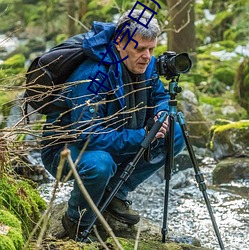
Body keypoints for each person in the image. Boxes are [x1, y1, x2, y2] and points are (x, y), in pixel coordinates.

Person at [41, 9, 185, 241]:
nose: (148, 56)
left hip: (117, 136)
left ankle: (115, 193)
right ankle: (76, 221)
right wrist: (142, 135)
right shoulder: (92, 77)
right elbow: (87, 135)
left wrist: (161, 114)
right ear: (120, 42)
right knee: (100, 164)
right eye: (140, 49)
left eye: (152, 49)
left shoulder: (145, 64)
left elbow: (159, 96)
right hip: (67, 150)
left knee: (175, 132)